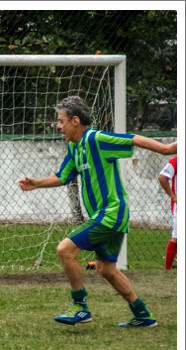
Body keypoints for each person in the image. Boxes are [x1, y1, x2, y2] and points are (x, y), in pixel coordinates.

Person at [18, 96, 177, 327]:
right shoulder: (74, 147)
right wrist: (38, 183)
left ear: (75, 121)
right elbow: (63, 176)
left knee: (65, 250)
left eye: (60, 121)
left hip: (111, 213)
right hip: (106, 216)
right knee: (106, 269)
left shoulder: (96, 139)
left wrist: (166, 149)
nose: (58, 126)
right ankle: (143, 315)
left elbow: (131, 139)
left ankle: (80, 308)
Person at [158, 155, 177, 270]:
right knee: (177, 237)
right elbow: (162, 177)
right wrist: (173, 196)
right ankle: (168, 267)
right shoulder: (177, 160)